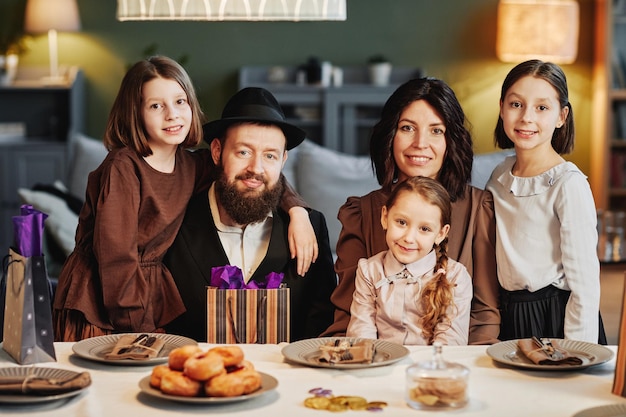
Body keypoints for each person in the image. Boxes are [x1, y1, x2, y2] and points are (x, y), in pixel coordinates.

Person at [52, 57, 316, 342]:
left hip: (144, 304)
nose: (172, 115)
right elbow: (117, 263)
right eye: (156, 106)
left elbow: (255, 175)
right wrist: (143, 332)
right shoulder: (123, 168)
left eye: (180, 102)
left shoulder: (191, 165)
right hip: (101, 302)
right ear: (135, 113)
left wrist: (298, 211)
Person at [323, 77, 501, 345]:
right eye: (407, 128)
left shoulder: (480, 209)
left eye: (436, 131)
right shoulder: (360, 212)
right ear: (390, 135)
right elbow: (349, 316)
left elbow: (484, 317)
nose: (420, 143)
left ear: (451, 140)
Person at [163, 87, 337, 342]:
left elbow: (320, 327)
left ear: (283, 160)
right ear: (216, 152)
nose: (256, 168)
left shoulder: (311, 226)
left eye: (270, 156)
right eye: (243, 152)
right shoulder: (174, 222)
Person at [486, 59, 606, 344]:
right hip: (510, 313)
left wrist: (578, 350)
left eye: (542, 108)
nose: (527, 117)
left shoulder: (568, 184)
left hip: (555, 316)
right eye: (516, 104)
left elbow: (585, 284)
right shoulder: (499, 175)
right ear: (502, 107)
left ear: (561, 116)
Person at [347, 176, 472, 345]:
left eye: (425, 229)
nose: (409, 238)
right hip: (380, 364)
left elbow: (450, 343)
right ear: (385, 217)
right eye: (401, 222)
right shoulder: (369, 271)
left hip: (430, 368)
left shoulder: (456, 276)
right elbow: (361, 334)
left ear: (441, 233)